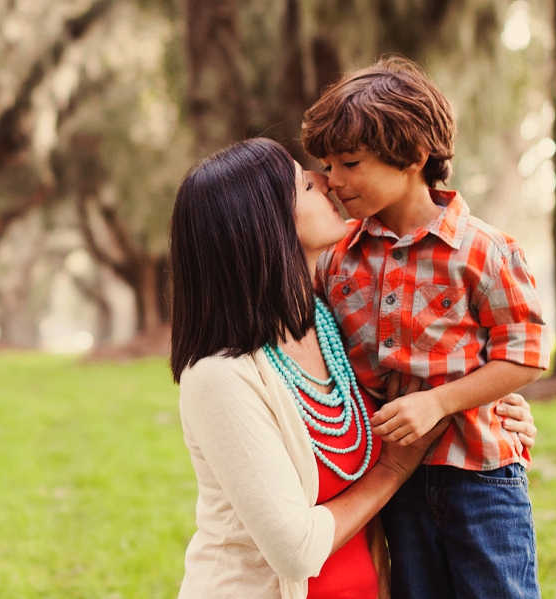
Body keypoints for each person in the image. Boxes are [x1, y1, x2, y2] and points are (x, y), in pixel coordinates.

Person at [170, 137, 537, 599]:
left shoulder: (334, 323)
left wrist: (488, 404)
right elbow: (295, 551)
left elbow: (422, 370)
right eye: (304, 184)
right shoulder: (220, 377)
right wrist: (394, 469)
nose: (326, 180)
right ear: (264, 226)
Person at [302, 56, 548, 599]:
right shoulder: (338, 261)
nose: (332, 181)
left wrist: (440, 402)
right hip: (398, 483)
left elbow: (527, 354)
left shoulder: (483, 250)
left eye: (349, 163)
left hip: (481, 477)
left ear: (413, 156)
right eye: (327, 165)